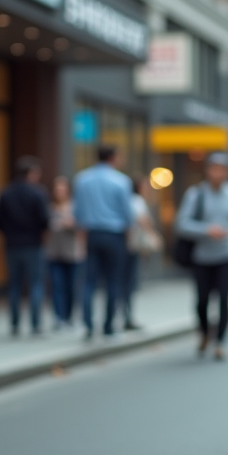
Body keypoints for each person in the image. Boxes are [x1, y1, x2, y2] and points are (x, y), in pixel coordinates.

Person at [174, 152, 228, 361]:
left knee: (225, 299)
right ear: (207, 171)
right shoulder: (195, 194)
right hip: (202, 256)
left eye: (221, 169)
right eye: (213, 168)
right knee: (202, 301)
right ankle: (204, 333)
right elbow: (181, 224)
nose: (217, 173)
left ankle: (220, 342)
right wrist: (206, 230)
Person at [73, 145, 134, 340]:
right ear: (113, 158)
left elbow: (78, 212)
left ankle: (88, 325)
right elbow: (128, 214)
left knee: (89, 281)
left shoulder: (82, 179)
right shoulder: (121, 181)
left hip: (92, 233)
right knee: (113, 281)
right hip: (114, 235)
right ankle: (108, 326)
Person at [0, 156, 50, 337]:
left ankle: (15, 324)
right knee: (35, 284)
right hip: (33, 244)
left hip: (12, 244)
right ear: (32, 173)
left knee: (15, 285)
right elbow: (45, 220)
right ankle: (35, 325)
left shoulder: (6, 193)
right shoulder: (38, 193)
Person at [46, 176, 84, 331]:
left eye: (62, 189)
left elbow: (82, 225)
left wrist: (70, 224)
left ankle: (68, 316)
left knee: (71, 287)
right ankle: (58, 317)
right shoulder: (49, 207)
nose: (59, 192)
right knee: (57, 285)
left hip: (72, 253)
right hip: (54, 252)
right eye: (57, 189)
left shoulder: (75, 207)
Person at [123, 177, 160, 332]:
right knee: (128, 283)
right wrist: (154, 235)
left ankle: (126, 316)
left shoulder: (128, 200)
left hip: (127, 245)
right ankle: (128, 317)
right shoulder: (137, 201)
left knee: (125, 283)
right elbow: (142, 220)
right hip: (131, 246)